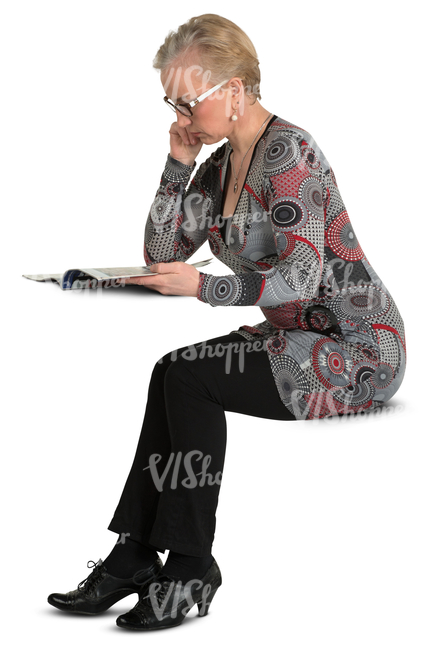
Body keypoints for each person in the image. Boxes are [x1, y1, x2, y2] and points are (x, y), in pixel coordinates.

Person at [47, 13, 406, 631]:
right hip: (291, 336)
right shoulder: (218, 169)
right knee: (171, 371)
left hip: (355, 347)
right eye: (171, 102)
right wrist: (177, 161)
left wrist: (207, 287)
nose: (179, 115)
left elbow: (301, 275)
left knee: (190, 378)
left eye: (187, 103)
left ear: (235, 91)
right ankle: (135, 553)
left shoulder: (291, 153)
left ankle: (188, 564)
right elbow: (164, 251)